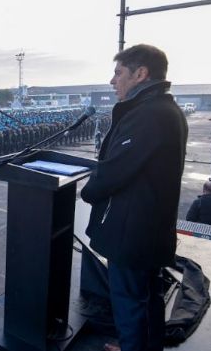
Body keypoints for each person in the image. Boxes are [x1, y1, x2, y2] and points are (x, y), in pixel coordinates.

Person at [80, 44, 187, 351]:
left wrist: (89, 190)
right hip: (149, 226)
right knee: (147, 295)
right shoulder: (165, 110)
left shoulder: (148, 115)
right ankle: (138, 345)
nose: (113, 81)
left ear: (141, 74)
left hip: (133, 230)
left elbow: (115, 171)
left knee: (129, 302)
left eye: (118, 73)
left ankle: (133, 345)